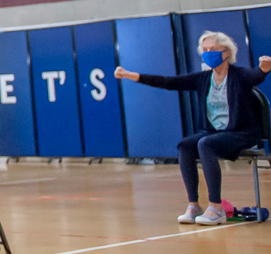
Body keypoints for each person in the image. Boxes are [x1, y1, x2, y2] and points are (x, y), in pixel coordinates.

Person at [114, 31, 271, 225]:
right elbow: (169, 82)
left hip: (241, 134)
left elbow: (255, 75)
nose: (207, 53)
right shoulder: (203, 78)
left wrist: (264, 69)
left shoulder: (240, 75)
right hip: (214, 133)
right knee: (185, 146)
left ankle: (215, 207)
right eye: (204, 50)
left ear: (226, 52)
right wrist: (132, 75)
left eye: (212, 49)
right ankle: (194, 205)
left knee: (206, 144)